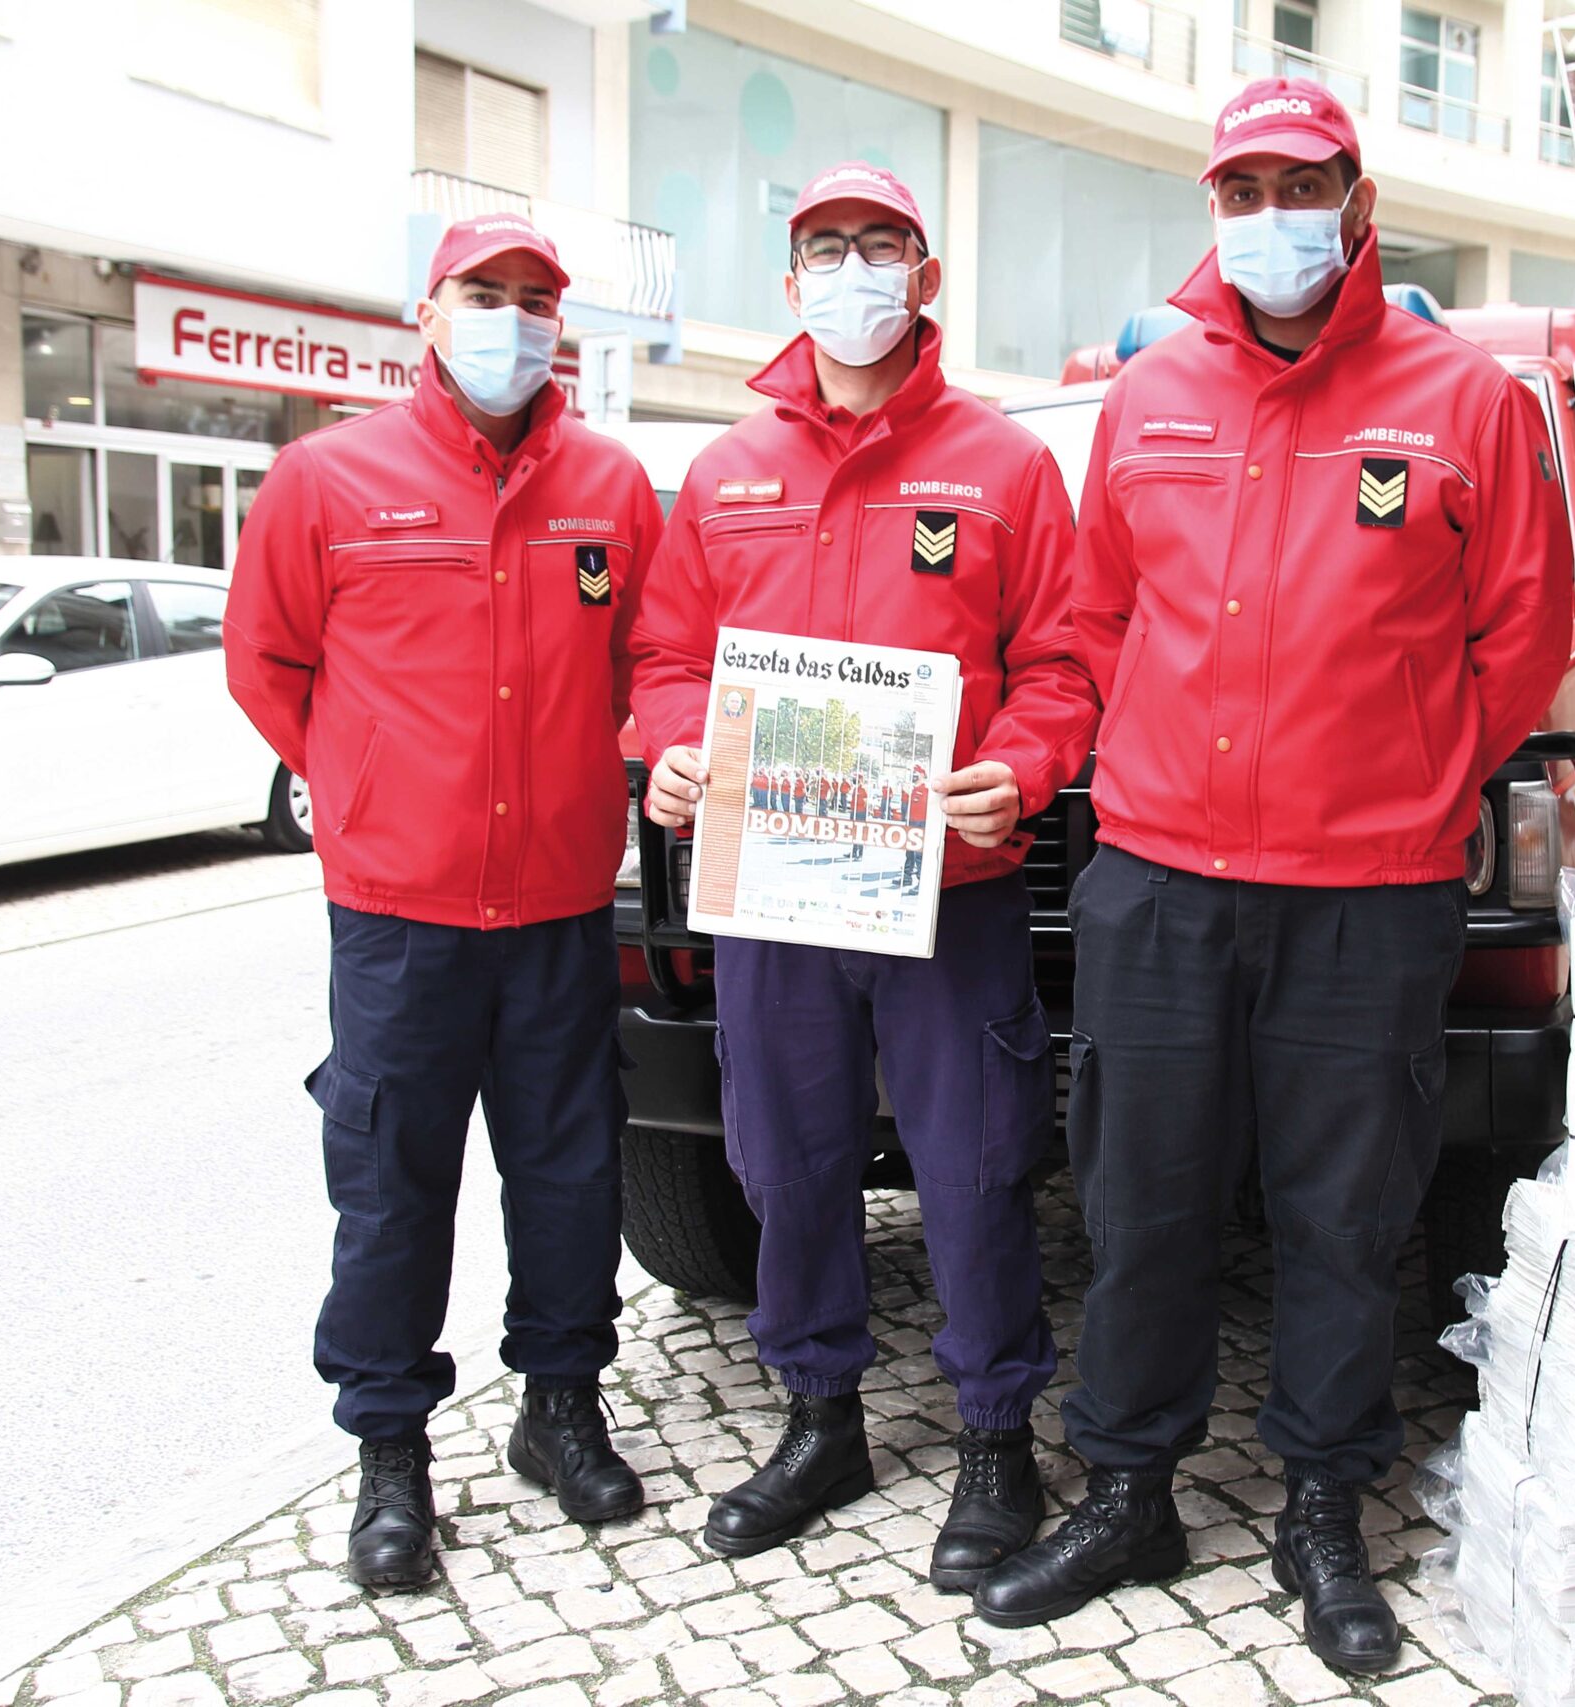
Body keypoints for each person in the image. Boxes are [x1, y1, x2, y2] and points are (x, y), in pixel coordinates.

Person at [971, 81, 1573, 1675]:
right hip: (1160, 881)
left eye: (1302, 184)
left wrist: (1416, 782)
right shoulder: (1152, 396)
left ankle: (1323, 1501)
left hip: (1365, 895)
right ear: (1213, 210)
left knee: (1343, 1214)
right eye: (1242, 188)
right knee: (1141, 1200)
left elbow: (1522, 630)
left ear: (1358, 205)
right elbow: (1095, 624)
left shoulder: (1463, 404)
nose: (1272, 215)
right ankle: (1131, 1486)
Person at [632, 162, 1096, 1591]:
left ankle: (996, 1432)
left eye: (877, 246)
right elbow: (664, 661)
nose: (851, 271)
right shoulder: (723, 473)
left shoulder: (1005, 466)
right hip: (775, 891)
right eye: (823, 248)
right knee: (787, 1158)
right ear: (789, 284)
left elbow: (1070, 662)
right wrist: (663, 749)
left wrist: (1018, 767)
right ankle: (819, 1414)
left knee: (971, 1164)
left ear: (924, 275)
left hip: (948, 892)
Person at [225, 213, 665, 1589]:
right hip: (399, 915)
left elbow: (645, 666)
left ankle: (560, 1406)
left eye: (537, 298)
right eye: (487, 292)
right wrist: (366, 786)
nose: (512, 317)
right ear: (430, 311)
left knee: (569, 1171)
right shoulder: (327, 477)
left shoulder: (611, 486)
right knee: (392, 1186)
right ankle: (391, 1449)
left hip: (555, 908)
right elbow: (267, 665)